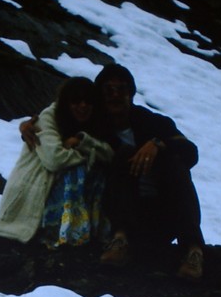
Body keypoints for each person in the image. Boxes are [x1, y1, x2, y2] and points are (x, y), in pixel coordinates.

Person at [21, 64, 205, 278]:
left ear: (131, 94)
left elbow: (190, 152)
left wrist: (158, 144)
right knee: (123, 154)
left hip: (163, 213)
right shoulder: (93, 125)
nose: (115, 95)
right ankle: (120, 240)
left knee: (175, 162)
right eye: (108, 90)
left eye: (121, 89)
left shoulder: (153, 122)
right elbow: (59, 113)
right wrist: (29, 125)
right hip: (123, 214)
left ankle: (193, 250)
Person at [0, 77, 113, 247]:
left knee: (98, 171)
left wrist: (81, 141)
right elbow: (54, 159)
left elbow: (109, 154)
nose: (83, 106)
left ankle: (82, 230)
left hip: (55, 187)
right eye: (76, 101)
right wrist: (88, 155)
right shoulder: (48, 118)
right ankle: (62, 232)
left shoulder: (95, 122)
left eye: (88, 101)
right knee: (77, 170)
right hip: (35, 189)